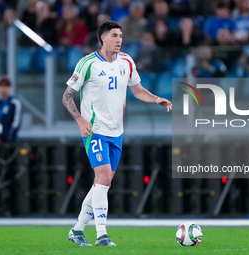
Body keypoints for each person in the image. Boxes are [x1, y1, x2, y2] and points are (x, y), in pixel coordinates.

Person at [62, 21, 172, 246]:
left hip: (116, 131)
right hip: (95, 131)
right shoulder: (88, 63)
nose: (119, 39)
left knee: (103, 183)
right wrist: (80, 120)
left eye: (120, 35)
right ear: (103, 38)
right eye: (114, 35)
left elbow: (138, 91)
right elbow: (66, 96)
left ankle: (77, 230)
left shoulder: (127, 62)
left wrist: (156, 99)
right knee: (103, 178)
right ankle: (102, 234)